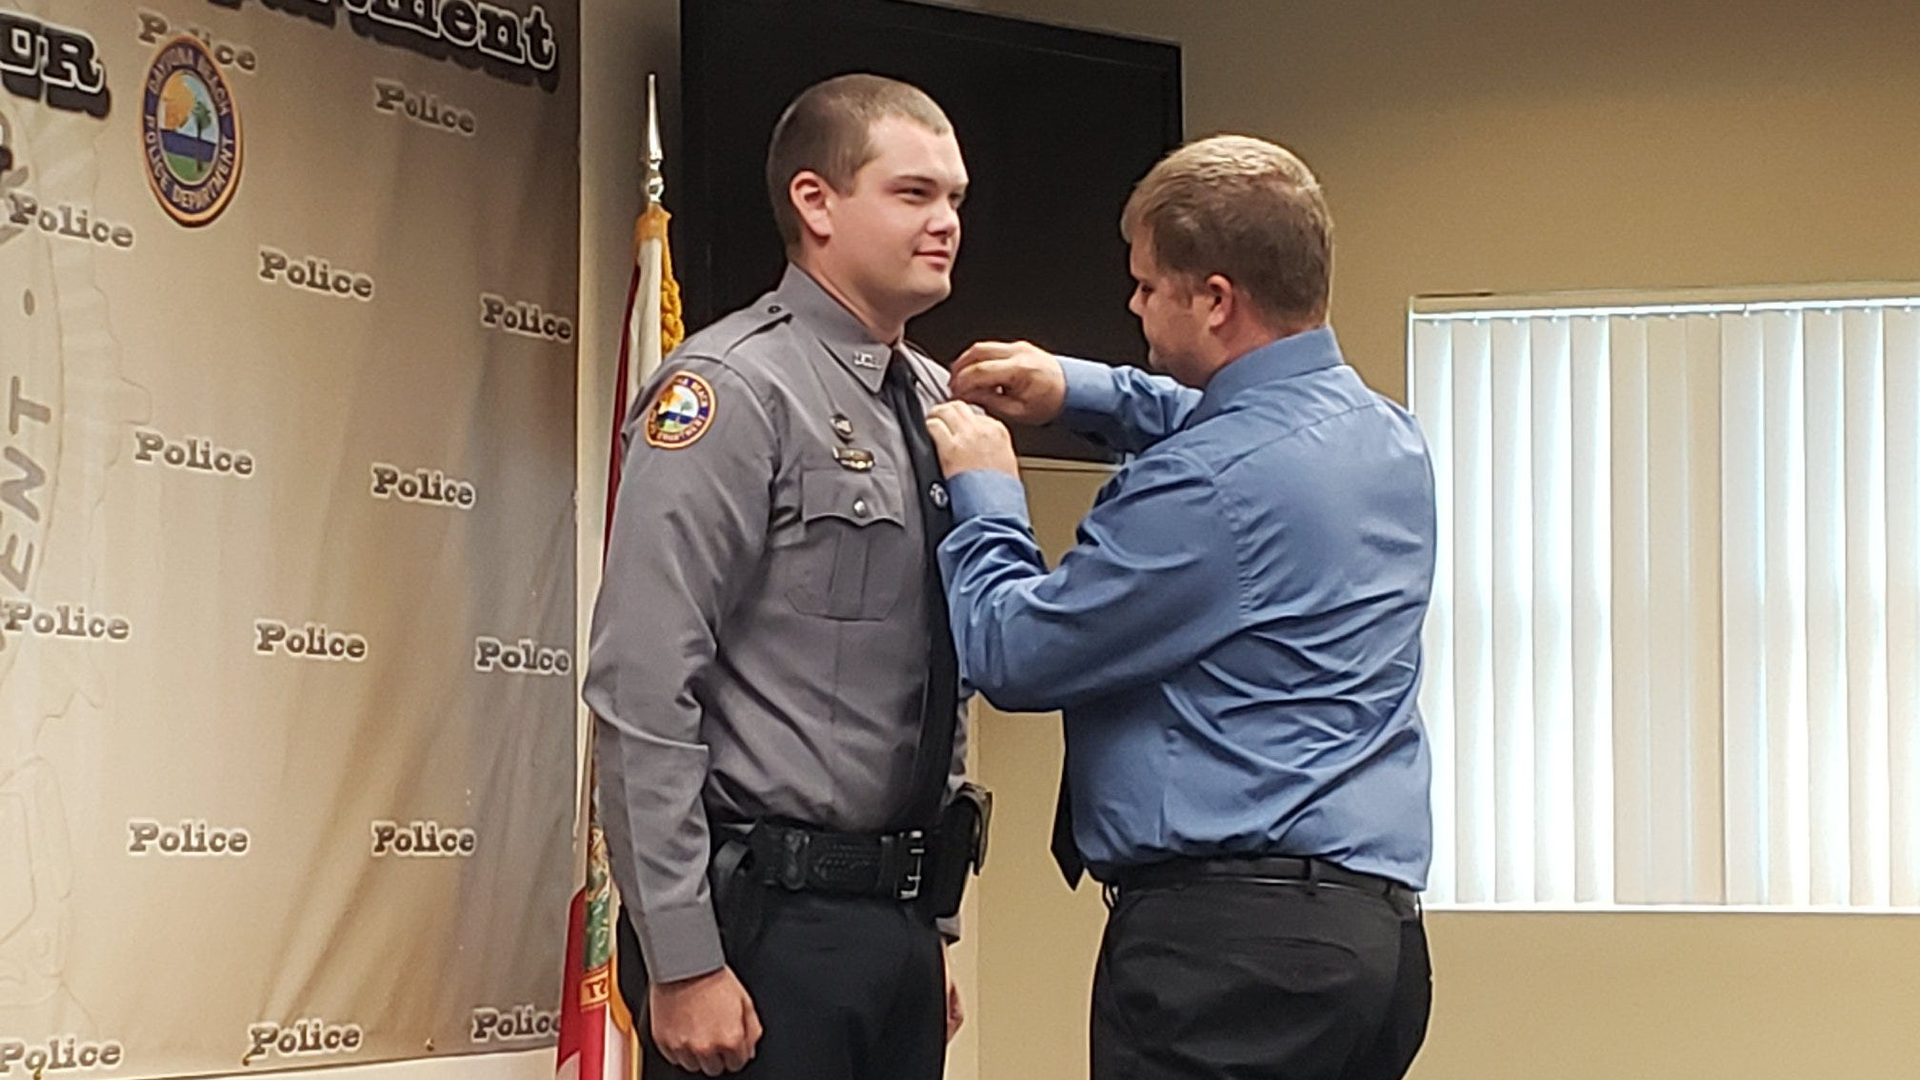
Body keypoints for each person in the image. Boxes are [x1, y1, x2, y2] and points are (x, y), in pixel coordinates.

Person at [924, 134, 1437, 1080]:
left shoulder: (1206, 487)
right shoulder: (1384, 437)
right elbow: (1232, 424)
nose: (1133, 305)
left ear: (1216, 301)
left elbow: (1015, 652)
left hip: (1231, 968)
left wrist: (987, 492)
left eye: (1149, 285)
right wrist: (1079, 389)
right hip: (1372, 946)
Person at [584, 73, 981, 1080]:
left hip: (892, 925)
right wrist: (683, 957)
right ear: (816, 203)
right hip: (760, 930)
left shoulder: (935, 402)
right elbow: (642, 687)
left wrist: (928, 927)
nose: (945, 223)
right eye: (913, 193)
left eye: (954, 199)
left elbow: (932, 678)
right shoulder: (729, 390)